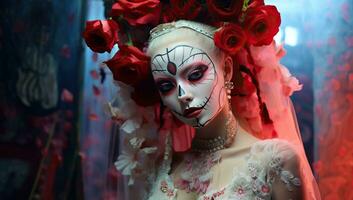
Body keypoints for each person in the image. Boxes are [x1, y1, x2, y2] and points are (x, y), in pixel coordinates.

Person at [83, 1, 321, 199]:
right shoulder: (162, 166)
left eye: (195, 75)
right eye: (166, 86)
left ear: (227, 70)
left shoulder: (275, 162)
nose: (182, 94)